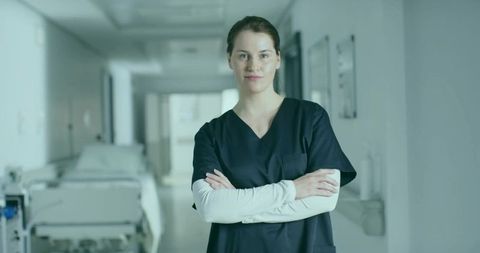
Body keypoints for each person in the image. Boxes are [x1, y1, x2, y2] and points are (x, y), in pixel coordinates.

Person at [191, 16, 356, 253]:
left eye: (264, 55)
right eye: (243, 55)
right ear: (230, 60)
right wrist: (292, 190)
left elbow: (325, 199)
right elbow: (210, 208)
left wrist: (239, 207)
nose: (253, 65)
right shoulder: (211, 134)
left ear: (278, 58)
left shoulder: (311, 118)